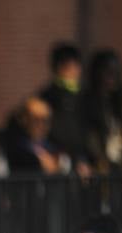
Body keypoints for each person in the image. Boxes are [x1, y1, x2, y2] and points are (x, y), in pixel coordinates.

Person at [38, 42, 86, 170]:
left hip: (82, 162)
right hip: (59, 161)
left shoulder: (84, 95)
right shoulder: (48, 97)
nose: (76, 71)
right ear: (59, 67)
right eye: (72, 66)